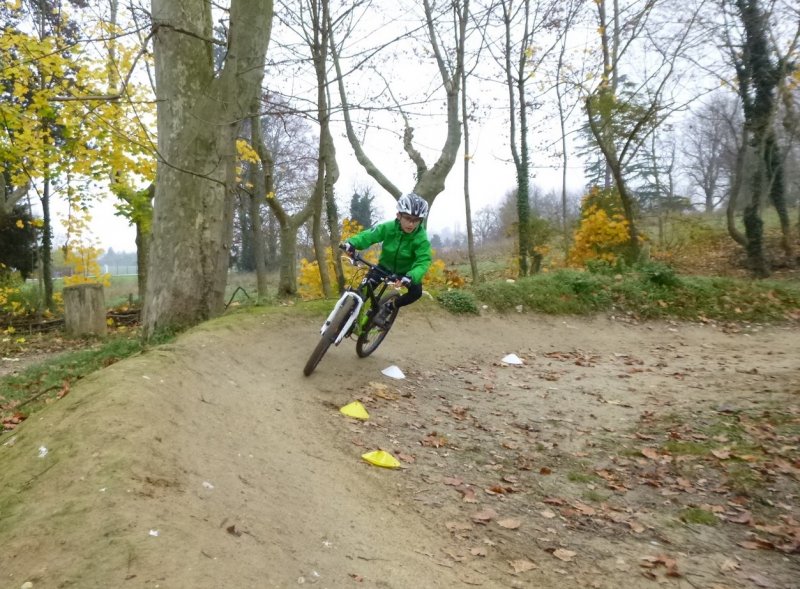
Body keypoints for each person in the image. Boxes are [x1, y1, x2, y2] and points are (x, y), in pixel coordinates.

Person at [343, 192, 432, 327]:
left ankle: (390, 306)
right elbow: (369, 236)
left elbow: (423, 261)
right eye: (408, 218)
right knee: (362, 292)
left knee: (416, 292)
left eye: (416, 220)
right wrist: (352, 243)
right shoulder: (388, 228)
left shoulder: (421, 238)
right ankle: (346, 319)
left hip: (405, 274)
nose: (411, 223)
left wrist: (411, 276)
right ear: (399, 215)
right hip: (383, 267)